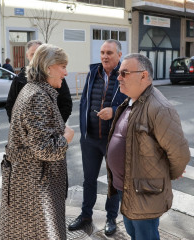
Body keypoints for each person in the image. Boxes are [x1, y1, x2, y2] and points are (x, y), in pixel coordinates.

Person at [106, 53, 190, 239]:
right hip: (127, 188)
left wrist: (165, 175)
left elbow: (180, 153)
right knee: (133, 233)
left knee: (145, 236)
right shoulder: (131, 100)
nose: (118, 77)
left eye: (124, 73)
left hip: (144, 192)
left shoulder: (159, 108)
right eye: (119, 73)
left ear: (143, 75)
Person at [0, 44, 74, 240]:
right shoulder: (38, 96)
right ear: (48, 67)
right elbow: (45, 150)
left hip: (31, 181)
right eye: (63, 66)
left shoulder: (35, 90)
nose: (66, 72)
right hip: (35, 186)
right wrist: (66, 137)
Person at [68, 39, 127, 236]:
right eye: (102, 52)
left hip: (114, 140)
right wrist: (84, 130)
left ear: (119, 55)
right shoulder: (93, 72)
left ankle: (111, 218)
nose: (104, 56)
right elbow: (84, 100)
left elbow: (133, 104)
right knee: (89, 180)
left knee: (113, 181)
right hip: (91, 138)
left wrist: (114, 111)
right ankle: (86, 215)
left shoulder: (125, 75)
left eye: (109, 52)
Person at [5, 40, 73, 123]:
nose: (36, 58)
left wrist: (60, 125)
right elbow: (11, 105)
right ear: (27, 56)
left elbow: (66, 103)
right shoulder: (29, 86)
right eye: (33, 54)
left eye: (39, 55)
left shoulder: (56, 78)